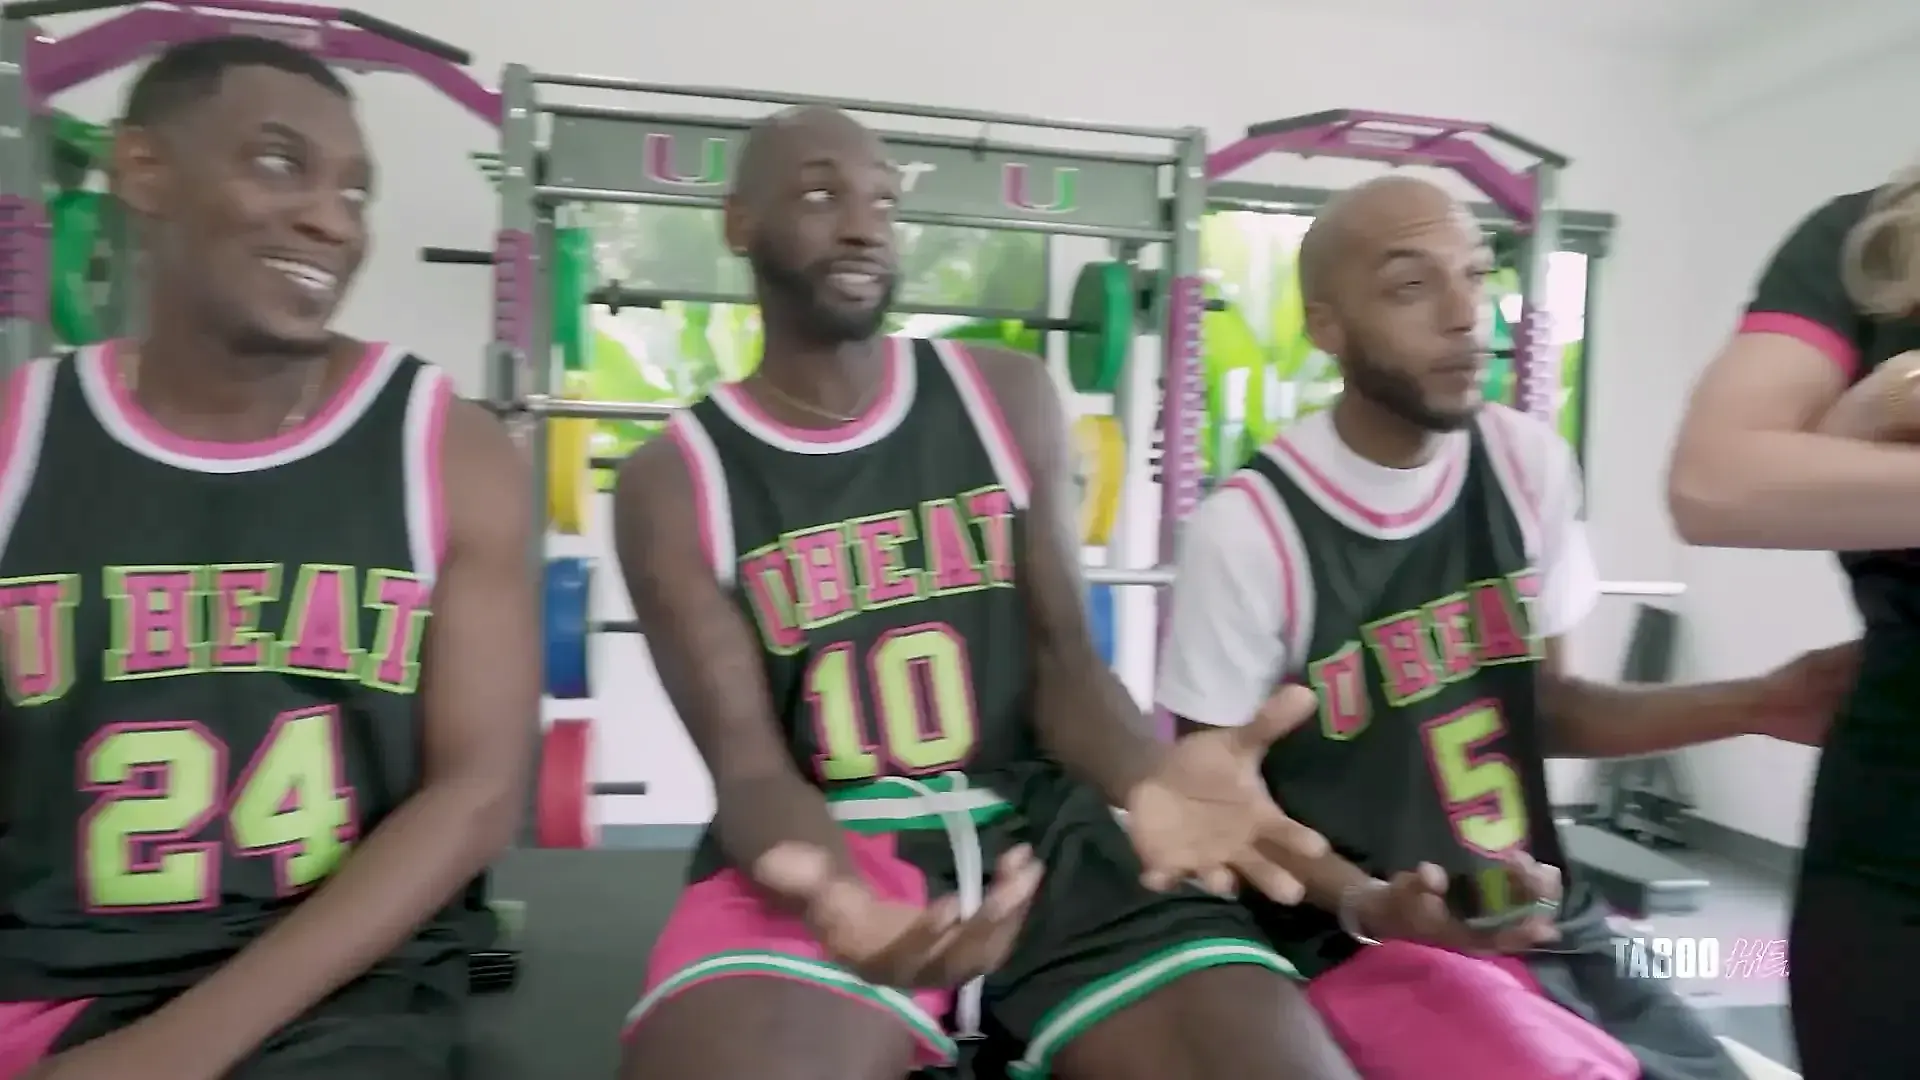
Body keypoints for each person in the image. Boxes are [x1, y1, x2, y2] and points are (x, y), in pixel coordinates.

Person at [610, 105, 1358, 1080]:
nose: (863, 226)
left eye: (883, 201)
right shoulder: (675, 480)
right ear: (739, 222)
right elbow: (749, 767)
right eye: (822, 194)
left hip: (1044, 838)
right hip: (828, 844)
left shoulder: (1004, 397)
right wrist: (835, 893)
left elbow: (1064, 665)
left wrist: (1148, 779)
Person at [1155, 175, 1852, 1080]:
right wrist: (1370, 903)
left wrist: (1763, 701)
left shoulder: (1526, 465)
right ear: (1327, 327)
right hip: (1348, 941)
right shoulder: (1251, 532)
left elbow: (1547, 706)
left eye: (1477, 275)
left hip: (1530, 912)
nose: (1464, 315)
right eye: (1412, 286)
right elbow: (1219, 813)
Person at [0, 37, 537, 1080]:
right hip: (42, 975)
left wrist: (171, 1052)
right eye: (281, 163)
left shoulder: (446, 450)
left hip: (334, 997)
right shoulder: (22, 439)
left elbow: (476, 795)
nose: (333, 220)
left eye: (356, 192)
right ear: (143, 169)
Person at [1668, 172, 1920, 1079]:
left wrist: (1857, 428)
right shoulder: (1869, 240)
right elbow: (1717, 483)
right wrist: (1879, 403)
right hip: (1895, 829)